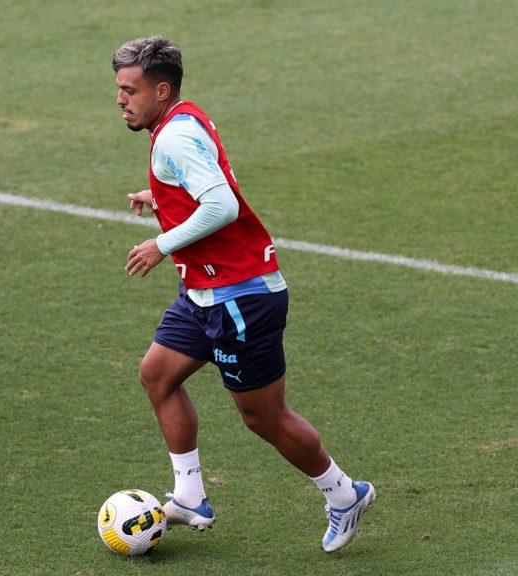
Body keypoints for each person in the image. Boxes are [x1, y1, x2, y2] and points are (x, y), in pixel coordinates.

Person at [112, 36, 375, 552]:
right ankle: (189, 496)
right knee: (157, 375)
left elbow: (222, 205)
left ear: (161, 90)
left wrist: (161, 243)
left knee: (263, 417)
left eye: (130, 90)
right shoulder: (180, 120)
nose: (121, 99)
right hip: (206, 291)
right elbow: (205, 188)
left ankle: (344, 493)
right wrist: (164, 196)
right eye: (118, 89)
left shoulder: (174, 139)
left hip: (240, 298)